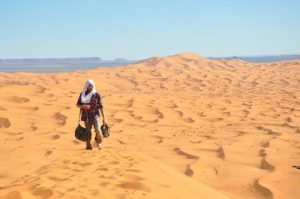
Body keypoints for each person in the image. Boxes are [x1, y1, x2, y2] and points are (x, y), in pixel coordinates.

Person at [76, 79, 106, 150]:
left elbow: (101, 106)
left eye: (91, 86)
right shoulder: (82, 94)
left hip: (95, 115)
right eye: (89, 86)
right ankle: (88, 146)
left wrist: (104, 118)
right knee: (88, 131)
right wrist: (82, 106)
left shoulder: (97, 95)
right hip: (86, 115)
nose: (90, 87)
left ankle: (98, 143)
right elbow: (77, 104)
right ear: (86, 86)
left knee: (98, 129)